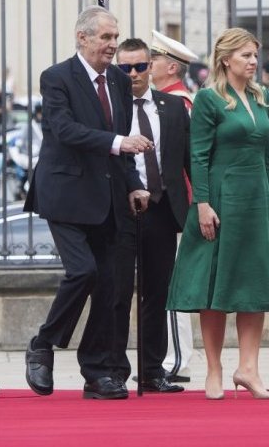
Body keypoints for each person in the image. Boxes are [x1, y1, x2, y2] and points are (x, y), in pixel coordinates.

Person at [23, 6, 153, 400]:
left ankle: (96, 374)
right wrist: (118, 144)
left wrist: (133, 183)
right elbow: (64, 130)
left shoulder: (117, 80)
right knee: (83, 272)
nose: (113, 45)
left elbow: (121, 138)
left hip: (109, 195)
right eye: (105, 38)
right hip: (64, 194)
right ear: (82, 37)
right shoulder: (56, 77)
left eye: (115, 37)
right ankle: (43, 343)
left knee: (110, 286)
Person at [165, 27, 269, 400]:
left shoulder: (260, 95)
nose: (254, 62)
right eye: (246, 56)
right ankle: (215, 369)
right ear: (225, 59)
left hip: (256, 200)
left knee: (255, 282)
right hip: (221, 198)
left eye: (255, 55)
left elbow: (264, 151)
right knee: (215, 285)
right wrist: (202, 204)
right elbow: (198, 155)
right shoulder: (208, 99)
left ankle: (248, 369)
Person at [110, 38, 190, 393]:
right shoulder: (107, 108)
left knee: (157, 291)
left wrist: (200, 201)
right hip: (121, 210)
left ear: (151, 67)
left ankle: (152, 369)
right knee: (118, 290)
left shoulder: (172, 106)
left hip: (160, 207)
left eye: (140, 66)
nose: (133, 74)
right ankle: (113, 369)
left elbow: (188, 159)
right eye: (125, 68)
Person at [149, 30, 199, 384]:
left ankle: (177, 357)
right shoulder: (170, 99)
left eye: (153, 60)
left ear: (170, 67)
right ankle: (176, 355)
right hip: (178, 203)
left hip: (178, 204)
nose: (147, 66)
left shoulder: (176, 102)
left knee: (171, 283)